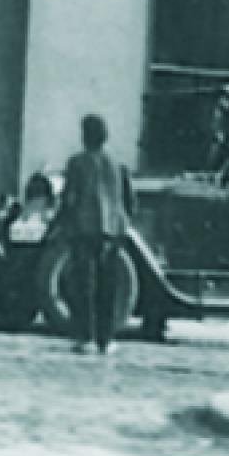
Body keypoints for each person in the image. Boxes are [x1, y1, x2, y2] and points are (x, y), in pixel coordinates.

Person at [55, 113, 136, 354]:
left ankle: (85, 336)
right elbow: (130, 202)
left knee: (83, 285)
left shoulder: (77, 163)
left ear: (85, 136)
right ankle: (106, 339)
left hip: (84, 230)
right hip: (112, 232)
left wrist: (60, 223)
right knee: (107, 286)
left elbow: (70, 199)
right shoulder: (118, 164)